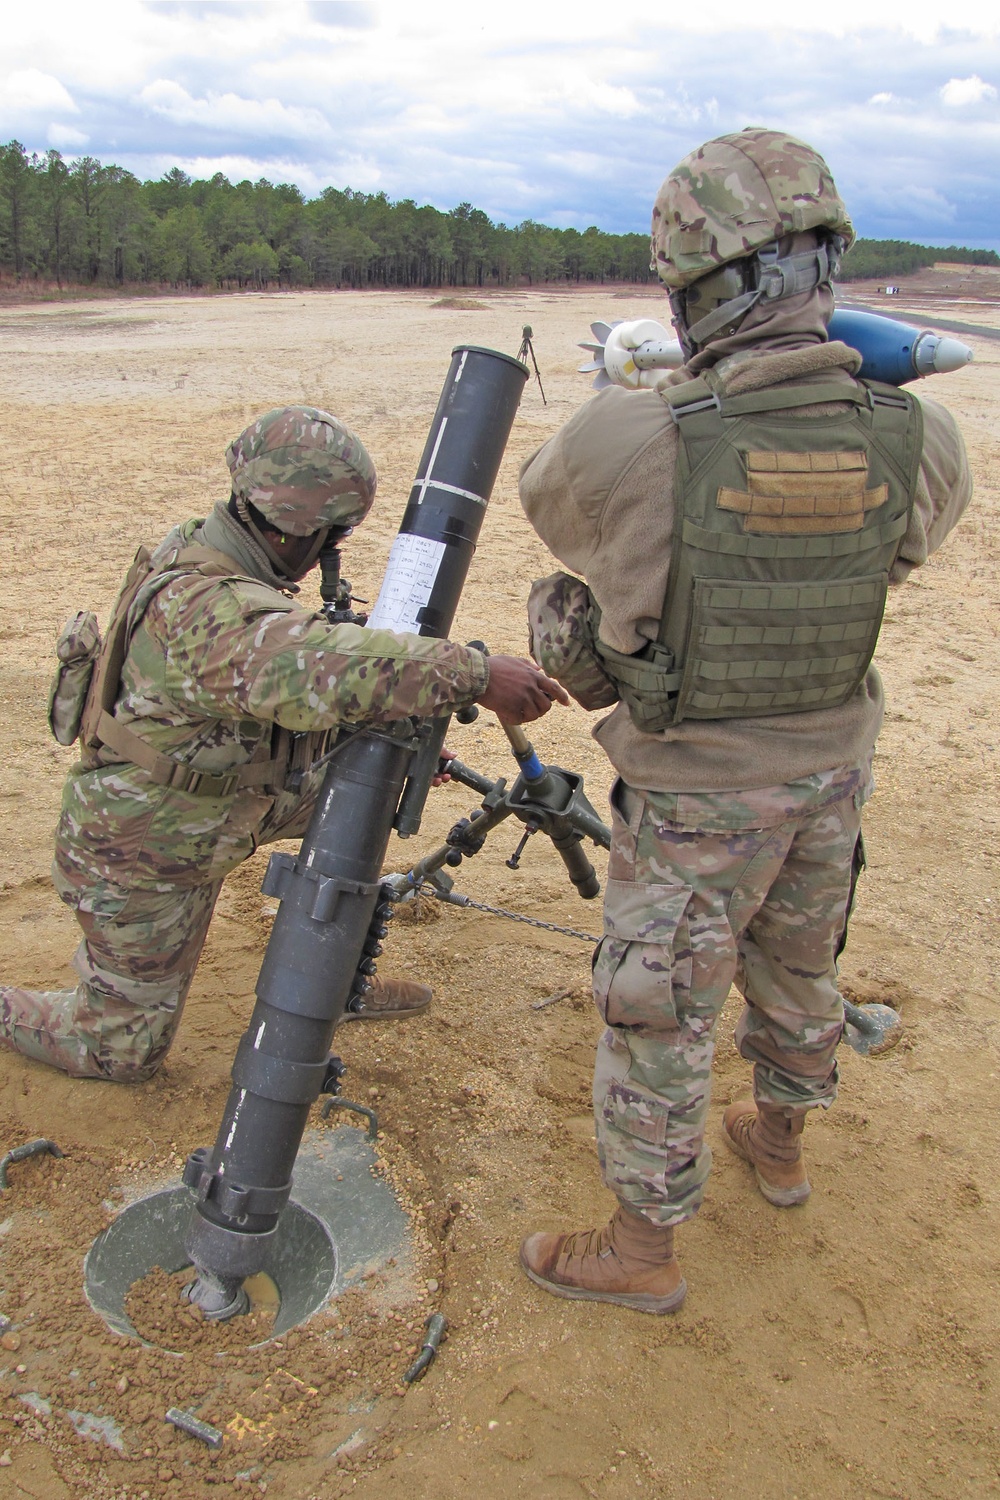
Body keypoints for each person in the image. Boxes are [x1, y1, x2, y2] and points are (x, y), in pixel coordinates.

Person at [517, 129, 972, 1314]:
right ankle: (777, 1143)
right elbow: (903, 552)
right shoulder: (919, 434)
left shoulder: (631, 435)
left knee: (658, 1004)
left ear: (696, 286)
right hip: (830, 766)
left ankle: (641, 1251)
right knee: (800, 964)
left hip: (698, 787)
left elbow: (562, 521)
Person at [0, 406, 565, 1084]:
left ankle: (327, 985)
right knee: (120, 1052)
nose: (333, 552)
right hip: (145, 844)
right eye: (333, 535)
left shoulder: (220, 550)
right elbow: (315, 664)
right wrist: (477, 674)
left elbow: (280, 683)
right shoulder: (205, 607)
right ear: (295, 529)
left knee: (373, 780)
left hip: (226, 797)